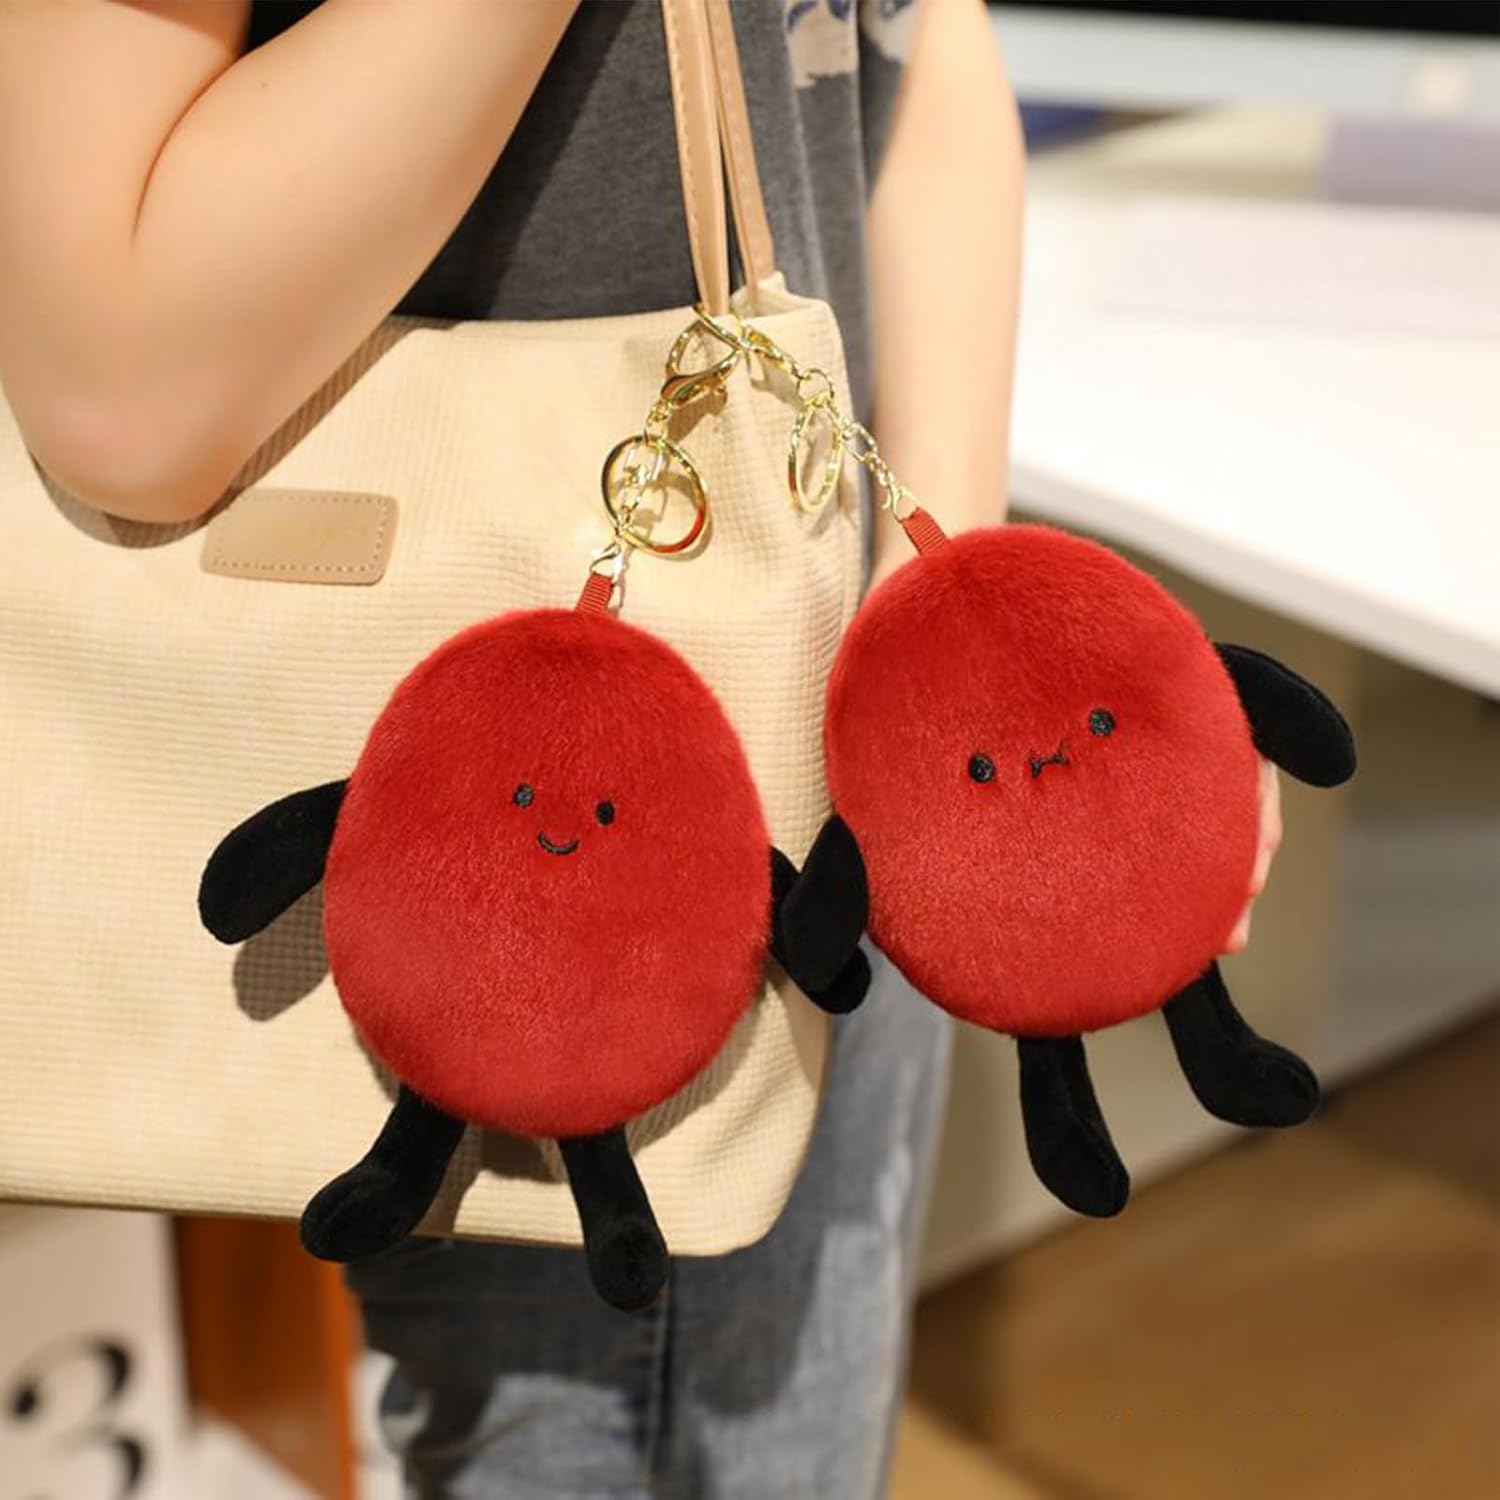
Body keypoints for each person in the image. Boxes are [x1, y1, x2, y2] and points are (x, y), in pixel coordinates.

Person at [0, 2, 1275, 1494]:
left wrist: (946, 615)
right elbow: (120, 396)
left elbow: (904, 46)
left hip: (820, 713)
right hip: (546, 865)